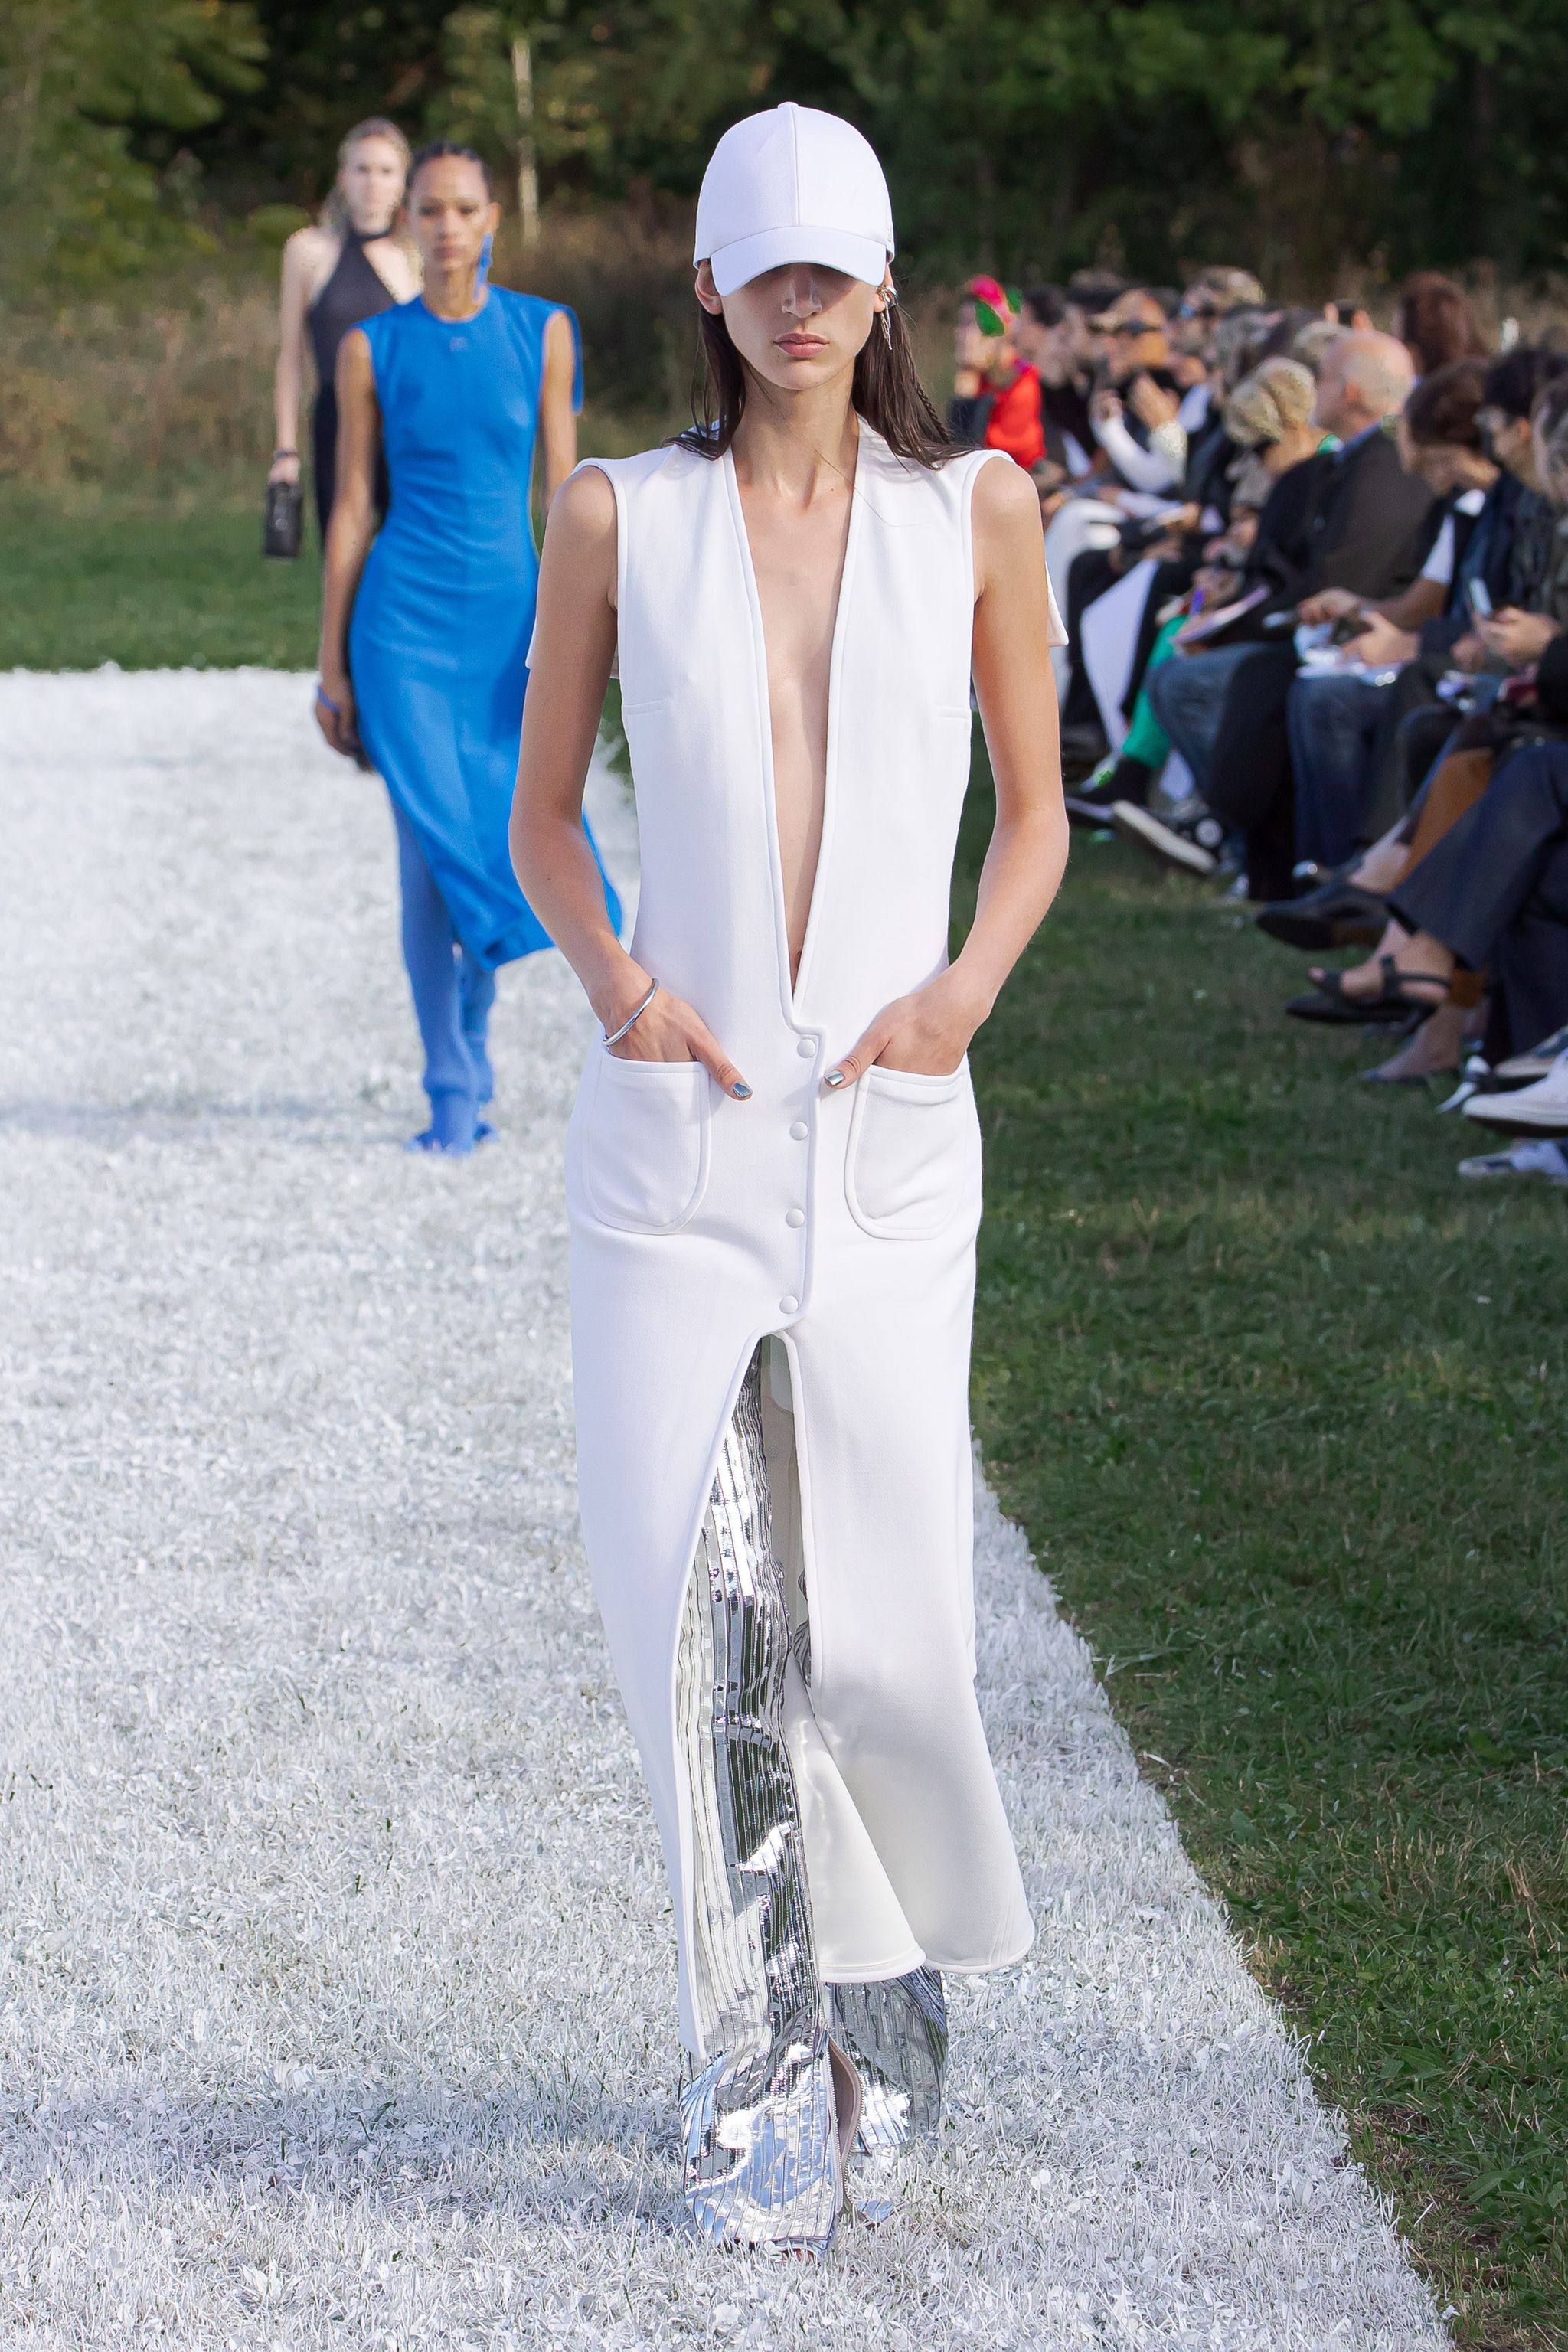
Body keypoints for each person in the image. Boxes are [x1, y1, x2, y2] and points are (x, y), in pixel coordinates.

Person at [510, 101, 1068, 2252]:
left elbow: (1035, 810)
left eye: (835, 270)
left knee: (887, 1626)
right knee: (701, 1614)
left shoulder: (977, 511)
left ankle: (884, 2015)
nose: (804, 304)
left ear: (887, 284)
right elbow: (546, 814)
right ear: (711, 290)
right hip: (674, 1142)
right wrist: (619, 987)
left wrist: (966, 994)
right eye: (769, 272)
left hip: (895, 1137)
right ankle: (753, 2071)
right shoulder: (617, 514)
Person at [315, 142, 619, 1152]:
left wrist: (581, 630)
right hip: (399, 627)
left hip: (506, 626)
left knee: (501, 838)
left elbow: (568, 498)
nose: (446, 226)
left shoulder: (544, 332)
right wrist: (331, 662)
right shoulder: (370, 347)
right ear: (408, 223)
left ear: (492, 219)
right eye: (429, 209)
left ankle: (476, 1036)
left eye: (462, 208)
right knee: (426, 847)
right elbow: (352, 506)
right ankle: (449, 1084)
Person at [270, 118, 420, 542]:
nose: (373, 183)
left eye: (386, 171)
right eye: (362, 169)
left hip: (406, 427)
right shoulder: (307, 251)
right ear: (343, 177)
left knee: (407, 557)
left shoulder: (418, 256)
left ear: (403, 182)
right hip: (335, 424)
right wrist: (285, 451)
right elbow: (290, 358)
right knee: (341, 554)